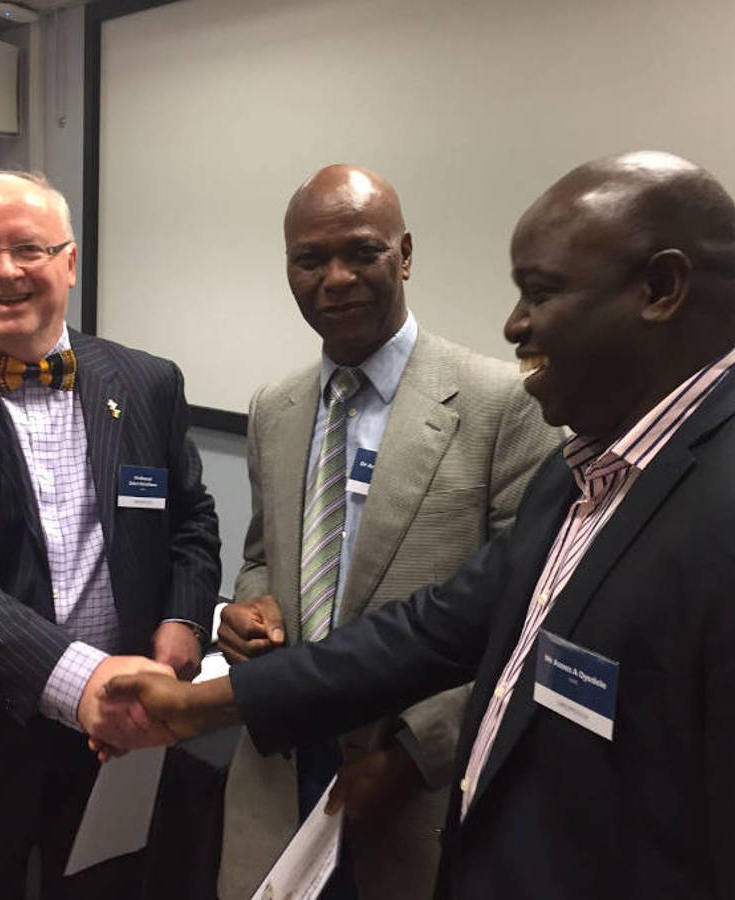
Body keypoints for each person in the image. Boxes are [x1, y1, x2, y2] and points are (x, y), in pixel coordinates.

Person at [104, 150, 735, 898]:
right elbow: (434, 631)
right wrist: (197, 705)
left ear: (660, 289)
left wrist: (409, 759)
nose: (515, 324)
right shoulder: (585, 472)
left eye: (541, 292)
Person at [214, 164, 562, 899]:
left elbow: (528, 609)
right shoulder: (274, 408)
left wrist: (410, 759)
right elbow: (260, 559)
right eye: (310, 260)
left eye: (361, 252)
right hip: (276, 773)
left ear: (404, 255)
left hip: (415, 785)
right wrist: (245, 612)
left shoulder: (502, 403)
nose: (335, 278)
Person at [0, 169, 221, 899]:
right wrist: (91, 684)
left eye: (30, 248)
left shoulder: (148, 382)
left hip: (124, 740)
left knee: (107, 886)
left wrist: (180, 620)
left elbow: (193, 521)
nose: (7, 271)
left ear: (70, 263)